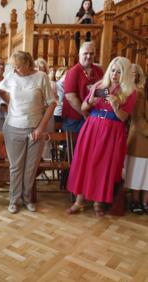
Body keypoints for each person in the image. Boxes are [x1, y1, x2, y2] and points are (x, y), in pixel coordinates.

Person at [67, 57, 137, 217]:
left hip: (112, 131)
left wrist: (114, 105)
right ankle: (79, 201)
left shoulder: (129, 92)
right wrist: (91, 100)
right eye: (113, 70)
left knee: (103, 165)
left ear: (125, 74)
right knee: (86, 162)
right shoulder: (101, 86)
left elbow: (123, 118)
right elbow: (84, 107)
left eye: (119, 71)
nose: (115, 74)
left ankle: (98, 202)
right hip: (92, 127)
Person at [0, 51, 56, 214]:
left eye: (18, 67)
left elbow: (52, 104)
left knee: (30, 167)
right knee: (16, 167)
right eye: (13, 67)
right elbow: (0, 90)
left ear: (28, 64)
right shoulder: (11, 76)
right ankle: (14, 200)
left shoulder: (41, 77)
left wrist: (40, 128)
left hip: (34, 128)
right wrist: (11, 103)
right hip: (13, 127)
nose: (15, 70)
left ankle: (27, 198)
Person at [62, 41, 104, 133]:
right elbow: (70, 97)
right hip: (75, 117)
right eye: (86, 53)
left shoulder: (98, 71)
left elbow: (104, 91)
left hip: (94, 115)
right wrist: (84, 113)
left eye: (91, 53)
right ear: (79, 55)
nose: (89, 56)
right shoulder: (73, 72)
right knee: (73, 146)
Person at [125, 63, 148, 214]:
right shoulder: (139, 94)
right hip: (141, 137)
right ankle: (135, 200)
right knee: (138, 170)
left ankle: (145, 201)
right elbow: (138, 118)